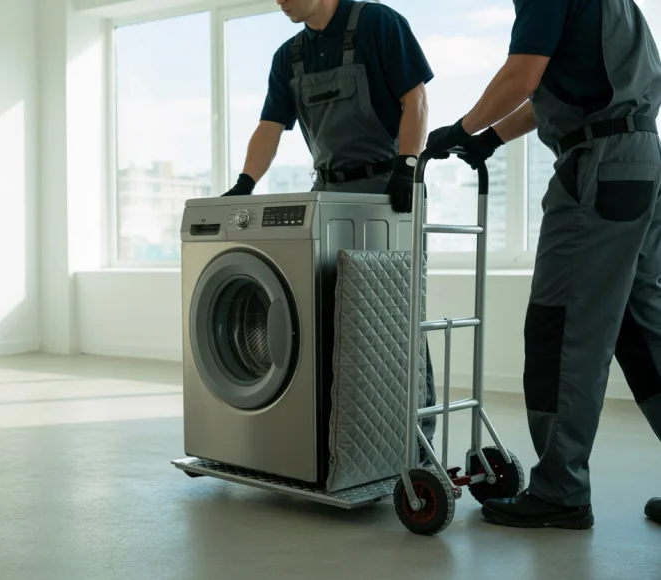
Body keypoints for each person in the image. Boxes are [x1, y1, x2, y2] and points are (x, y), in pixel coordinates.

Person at [425, 0, 661, 530]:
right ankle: (562, 483)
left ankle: (560, 489)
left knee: (564, 328)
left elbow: (522, 72)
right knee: (640, 326)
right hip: (638, 159)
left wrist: (461, 128)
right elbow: (550, 88)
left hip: (597, 166)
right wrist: (489, 138)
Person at [221, 0, 438, 450]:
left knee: (396, 315)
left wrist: (408, 166)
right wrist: (244, 183)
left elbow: (414, 98)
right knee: (328, 317)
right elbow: (270, 126)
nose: (278, 1)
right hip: (328, 194)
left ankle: (415, 445)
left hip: (387, 190)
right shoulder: (289, 57)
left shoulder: (379, 23)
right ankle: (338, 443)